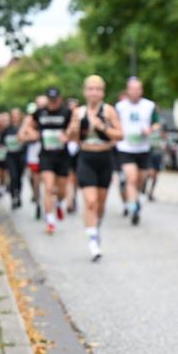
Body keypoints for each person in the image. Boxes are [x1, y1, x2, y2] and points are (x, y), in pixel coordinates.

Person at [66, 75, 122, 261]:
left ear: (102, 92)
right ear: (85, 92)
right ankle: (92, 242)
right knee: (90, 201)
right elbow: (71, 136)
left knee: (100, 204)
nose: (94, 92)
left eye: (97, 89)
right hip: (86, 158)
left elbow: (120, 135)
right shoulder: (78, 112)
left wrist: (102, 127)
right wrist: (74, 128)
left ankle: (95, 227)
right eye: (90, 89)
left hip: (105, 158)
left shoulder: (109, 111)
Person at [19, 88, 73, 234]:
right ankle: (50, 221)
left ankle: (60, 203)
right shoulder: (40, 113)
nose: (53, 103)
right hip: (46, 155)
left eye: (55, 100)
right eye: (50, 100)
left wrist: (68, 135)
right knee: (48, 187)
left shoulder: (66, 112)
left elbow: (75, 130)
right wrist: (31, 133)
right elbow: (25, 129)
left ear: (60, 99)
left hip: (62, 156)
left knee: (61, 191)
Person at [115, 77, 161, 225]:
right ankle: (133, 207)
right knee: (132, 178)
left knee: (141, 180)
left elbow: (157, 123)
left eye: (137, 89)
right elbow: (114, 124)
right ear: (128, 90)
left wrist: (150, 129)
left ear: (141, 90)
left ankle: (135, 199)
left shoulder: (149, 106)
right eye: (132, 89)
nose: (135, 92)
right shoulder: (120, 107)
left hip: (143, 148)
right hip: (126, 148)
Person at [4, 108, 26, 209]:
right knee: (13, 176)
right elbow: (1, 141)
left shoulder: (24, 127)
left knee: (19, 177)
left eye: (17, 115)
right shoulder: (7, 129)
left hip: (21, 156)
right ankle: (13, 197)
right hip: (10, 156)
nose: (15, 117)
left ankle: (19, 195)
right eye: (13, 115)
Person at [66, 96, 81, 214]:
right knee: (68, 176)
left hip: (77, 149)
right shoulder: (64, 119)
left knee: (74, 176)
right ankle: (69, 201)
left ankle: (73, 197)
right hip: (65, 150)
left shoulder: (82, 119)